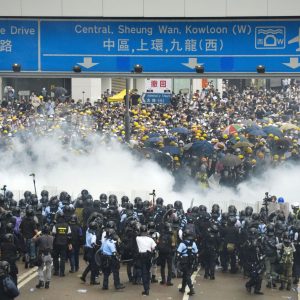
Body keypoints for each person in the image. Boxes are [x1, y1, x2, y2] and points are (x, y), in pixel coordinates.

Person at [136, 225, 156, 296]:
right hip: (148, 257)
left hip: (141, 257)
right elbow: (154, 248)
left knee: (143, 273)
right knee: (148, 272)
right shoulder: (150, 239)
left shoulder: (137, 238)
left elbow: (137, 235)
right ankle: (148, 287)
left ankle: (146, 289)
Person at [177, 229, 198, 296]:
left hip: (184, 261)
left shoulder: (182, 243)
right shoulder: (193, 243)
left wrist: (178, 259)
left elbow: (178, 253)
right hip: (191, 260)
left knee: (186, 275)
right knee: (185, 274)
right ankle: (183, 288)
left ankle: (191, 289)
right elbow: (196, 252)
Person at [33, 225, 54, 289]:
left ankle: (41, 281)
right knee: (49, 269)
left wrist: (37, 234)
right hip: (49, 254)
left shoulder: (40, 237)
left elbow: (33, 240)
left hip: (42, 254)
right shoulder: (52, 237)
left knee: (40, 268)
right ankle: (47, 283)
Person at [52, 211, 72, 277]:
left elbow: (53, 236)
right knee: (63, 258)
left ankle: (56, 271)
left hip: (56, 244)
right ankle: (62, 273)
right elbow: (69, 236)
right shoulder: (67, 226)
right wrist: (69, 244)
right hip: (64, 244)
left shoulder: (55, 225)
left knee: (55, 258)